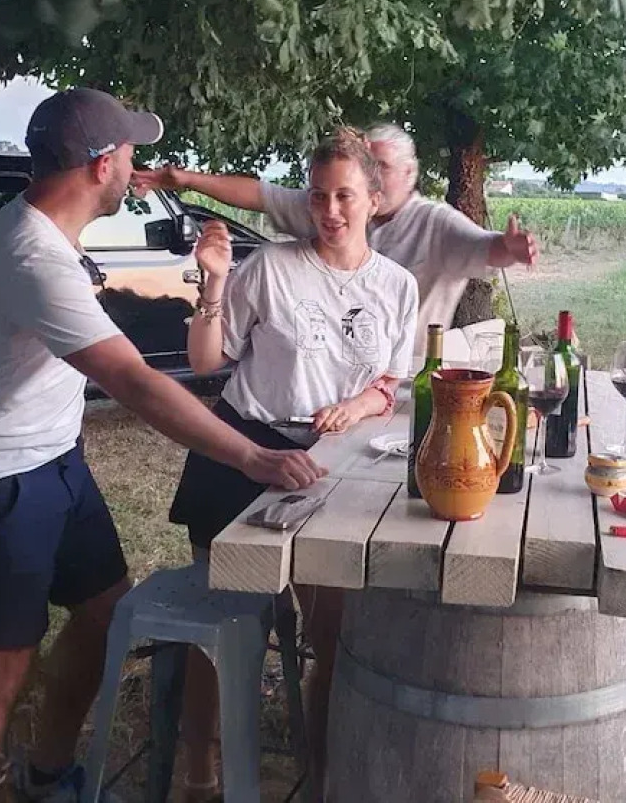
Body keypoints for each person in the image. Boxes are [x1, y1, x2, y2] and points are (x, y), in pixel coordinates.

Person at [0, 89, 325, 803]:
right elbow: (134, 384)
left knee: (106, 611)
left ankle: (48, 775)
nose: (137, 164)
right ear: (102, 163)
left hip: (54, 465)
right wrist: (250, 456)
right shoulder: (32, 255)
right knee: (0, 670)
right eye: (130, 152)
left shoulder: (48, 233)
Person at [168, 127, 418, 801]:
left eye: (345, 196)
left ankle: (322, 773)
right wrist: (213, 284)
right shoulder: (270, 268)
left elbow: (393, 380)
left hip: (330, 465)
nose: (330, 211)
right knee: (220, 629)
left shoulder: (396, 285)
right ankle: (200, 772)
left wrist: (366, 400)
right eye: (318, 197)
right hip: (240, 450)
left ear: (376, 199)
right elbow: (203, 362)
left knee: (332, 633)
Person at [131, 123, 539, 345]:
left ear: (410, 175)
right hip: (332, 385)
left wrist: (509, 248)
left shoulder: (435, 222)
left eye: (379, 167)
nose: (332, 210)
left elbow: (482, 248)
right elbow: (260, 194)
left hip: (400, 387)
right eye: (366, 165)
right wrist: (186, 179)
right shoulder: (329, 209)